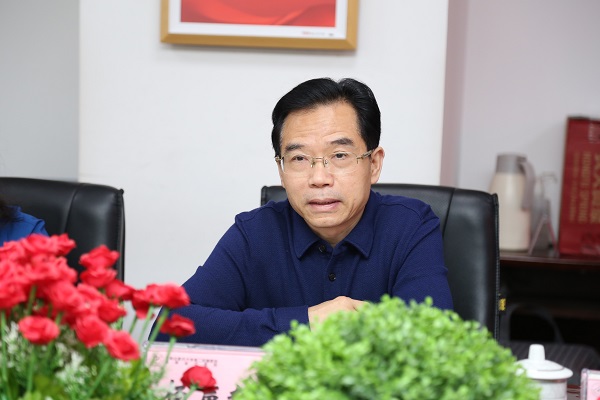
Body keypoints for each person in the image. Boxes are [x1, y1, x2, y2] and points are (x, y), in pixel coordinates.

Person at [157, 77, 453, 346]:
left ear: (373, 164)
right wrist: (306, 322)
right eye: (299, 158)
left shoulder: (410, 225)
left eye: (339, 155)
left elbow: (434, 338)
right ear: (281, 170)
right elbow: (169, 325)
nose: (319, 178)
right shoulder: (254, 233)